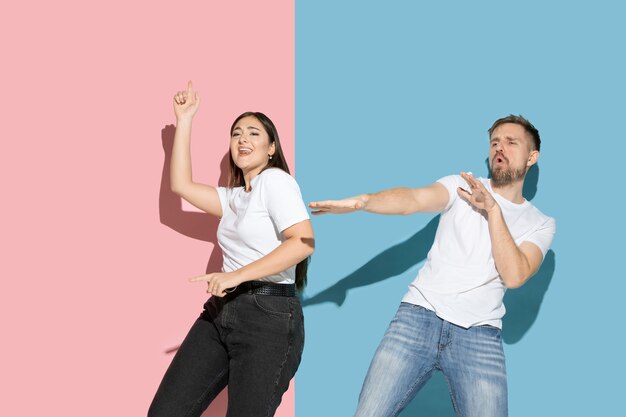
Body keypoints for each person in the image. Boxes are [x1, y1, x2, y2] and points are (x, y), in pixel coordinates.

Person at [309, 115, 555, 417]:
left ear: (532, 156)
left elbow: (515, 274)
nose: (499, 148)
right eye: (494, 142)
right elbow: (412, 199)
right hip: (417, 319)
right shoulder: (459, 186)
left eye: (511, 142)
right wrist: (364, 201)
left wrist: (492, 209)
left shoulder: (540, 223)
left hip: (479, 336)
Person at [148, 81, 314, 417]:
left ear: (271, 148)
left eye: (254, 133)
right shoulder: (233, 197)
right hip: (221, 312)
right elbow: (181, 185)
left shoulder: (276, 181)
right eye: (236, 133)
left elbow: (304, 242)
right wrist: (185, 120)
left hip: (268, 317)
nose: (242, 139)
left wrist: (234, 276)